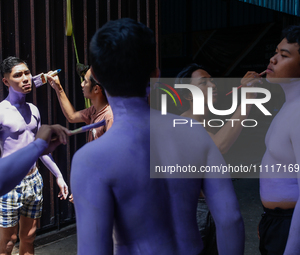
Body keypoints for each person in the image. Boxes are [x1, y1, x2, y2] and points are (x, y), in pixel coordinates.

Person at [71, 18, 244, 255]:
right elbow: (230, 219)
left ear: (98, 80)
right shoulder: (194, 133)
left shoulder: (90, 159)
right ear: (155, 74)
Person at [0, 79, 70, 255]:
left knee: (29, 237)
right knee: (9, 242)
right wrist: (38, 146)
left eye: (27, 73)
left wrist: (58, 174)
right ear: (6, 80)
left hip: (33, 179)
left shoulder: (33, 109)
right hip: (11, 188)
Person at [175, 63, 261, 254]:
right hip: (195, 213)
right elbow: (220, 145)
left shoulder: (205, 125)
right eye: (204, 83)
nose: (213, 86)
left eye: (212, 81)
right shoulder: (184, 123)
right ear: (189, 94)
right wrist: (248, 98)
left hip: (208, 211)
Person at [259, 25, 300, 255]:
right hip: (276, 221)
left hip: (289, 223)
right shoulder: (288, 106)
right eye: (276, 52)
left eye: (284, 55)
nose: (273, 60)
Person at [47, 67, 113, 142]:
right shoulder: (94, 110)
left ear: (96, 89)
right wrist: (58, 88)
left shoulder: (109, 116)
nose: (82, 84)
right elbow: (72, 116)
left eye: (85, 81)